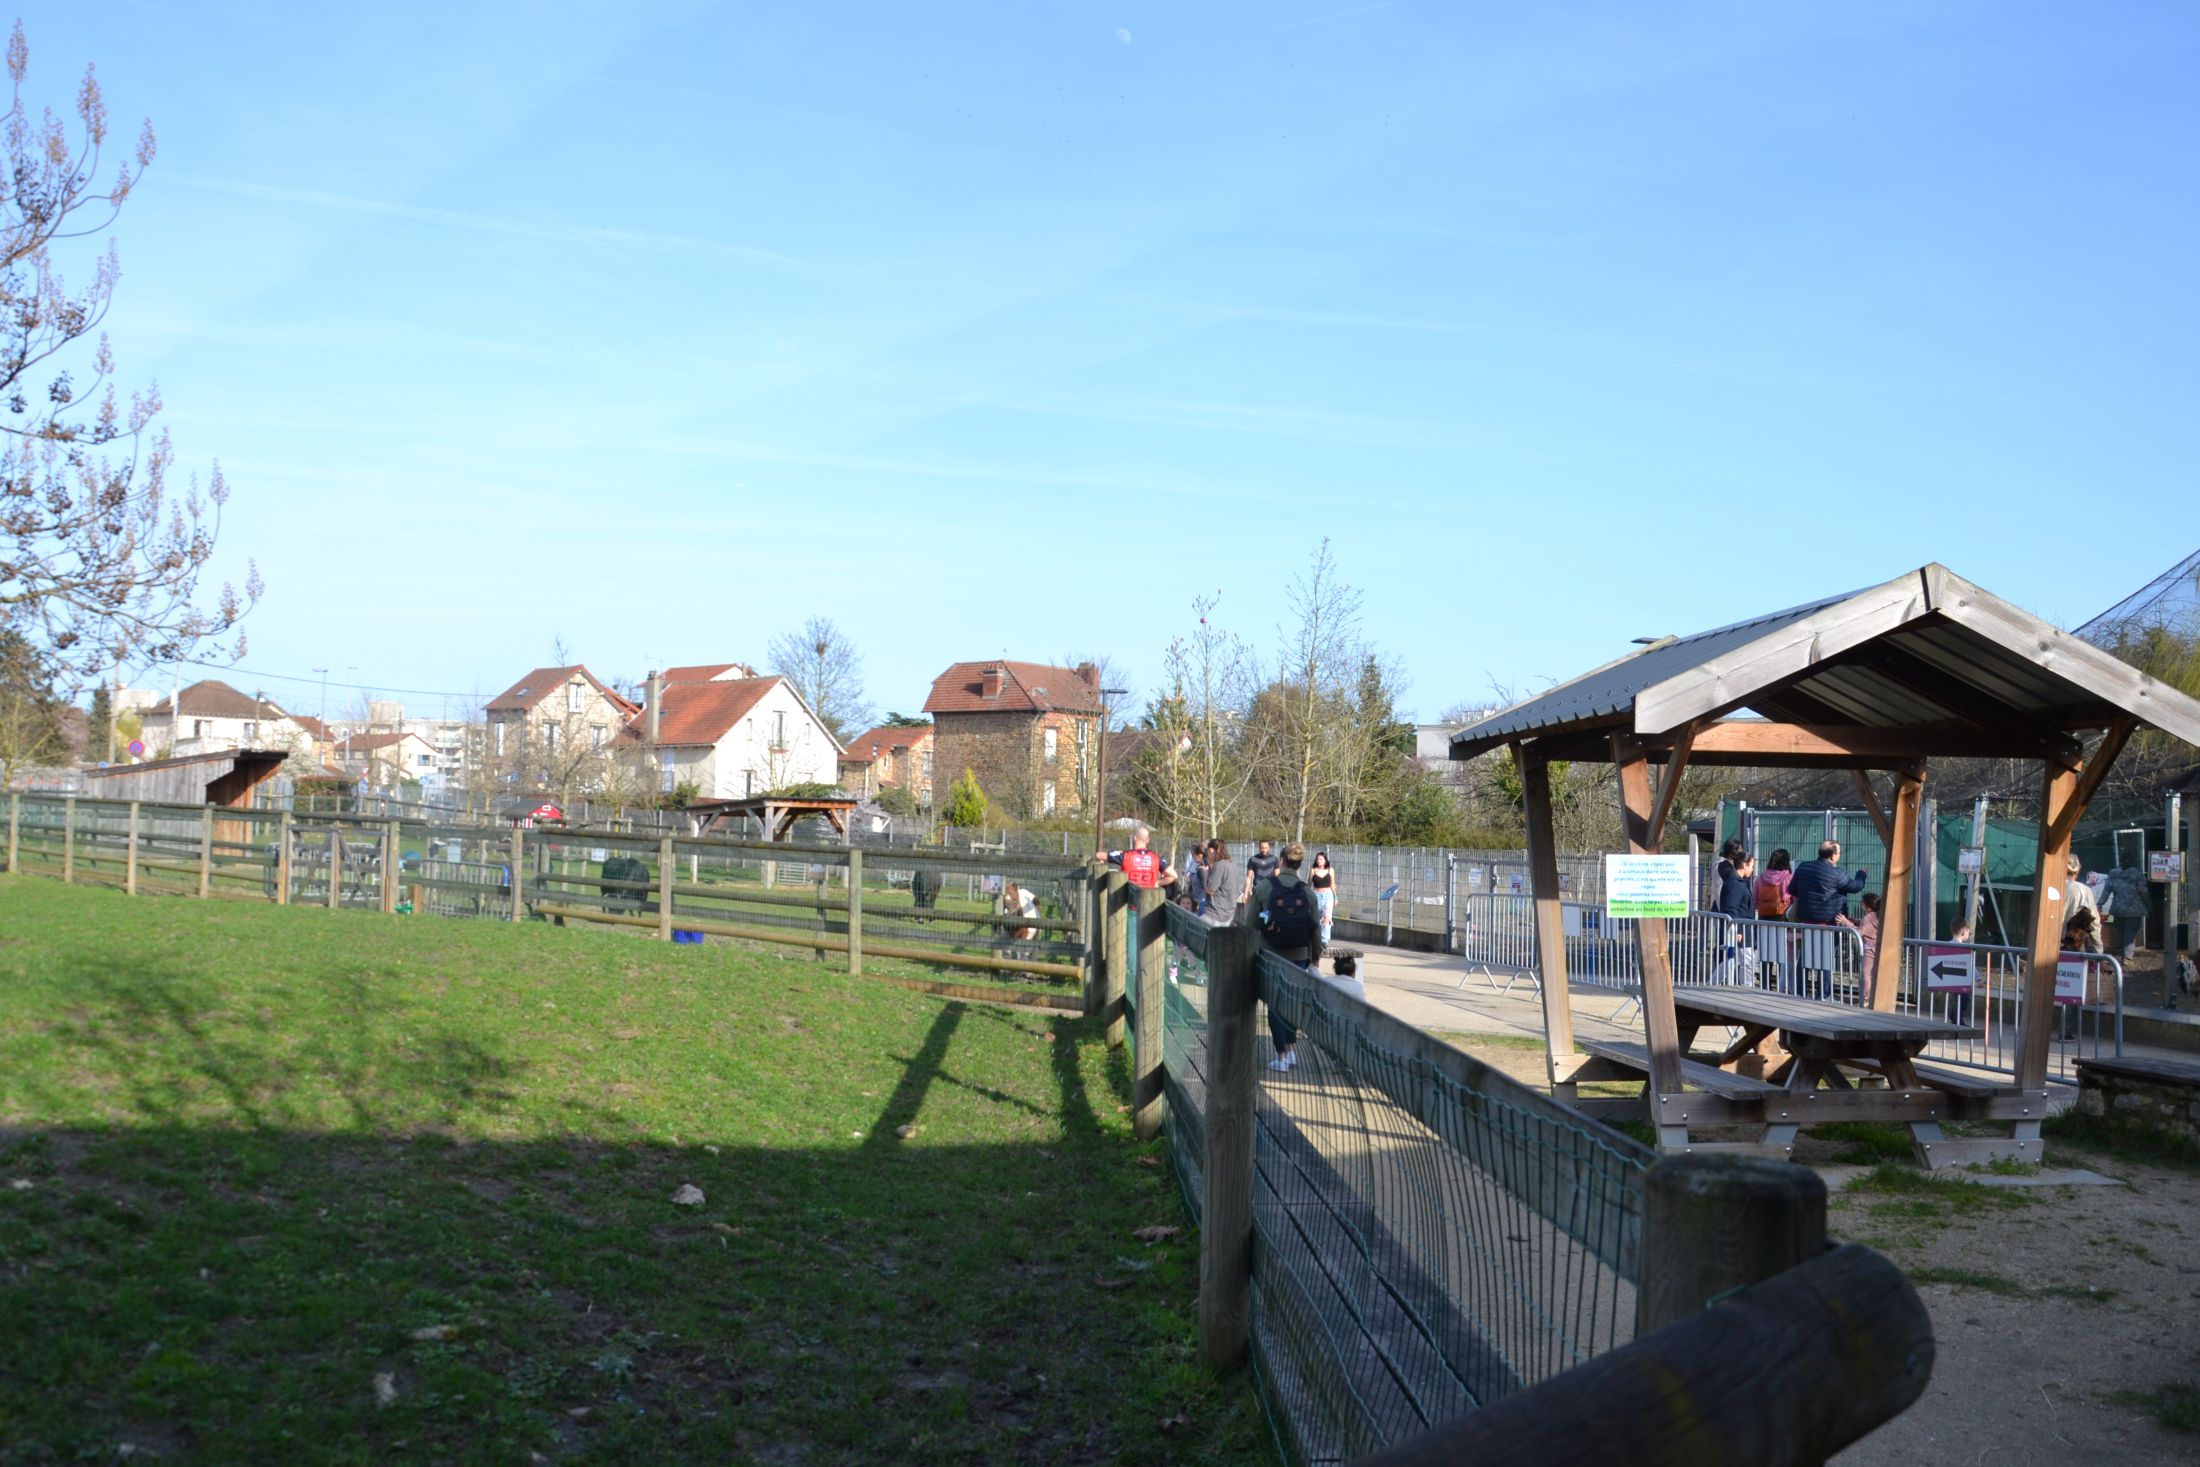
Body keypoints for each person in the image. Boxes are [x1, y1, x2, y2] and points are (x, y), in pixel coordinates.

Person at [1255, 843, 1323, 1072]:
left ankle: (1281, 1054)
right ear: (1301, 863)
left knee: (1275, 1005)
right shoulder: (1307, 892)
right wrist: (1315, 959)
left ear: (1281, 859)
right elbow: (1316, 930)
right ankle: (1292, 1050)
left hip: (1271, 954)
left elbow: (1250, 923)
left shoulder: (1265, 887)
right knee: (1292, 1003)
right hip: (1299, 957)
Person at [1789, 840, 1868, 926]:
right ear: (1833, 856)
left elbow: (1792, 889)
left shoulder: (1803, 867)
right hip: (1830, 924)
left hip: (1805, 921)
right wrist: (1861, 874)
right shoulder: (1837, 873)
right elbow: (1855, 886)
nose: (1840, 855)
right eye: (1839, 853)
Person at [1099, 824, 1176, 891]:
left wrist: (1120, 852)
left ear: (1134, 838)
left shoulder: (1125, 856)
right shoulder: (1156, 858)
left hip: (1129, 901)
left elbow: (1099, 855)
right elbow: (1174, 875)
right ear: (1148, 840)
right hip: (1149, 902)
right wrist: (1158, 883)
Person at [1204, 839, 1240, 926]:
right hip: (1230, 912)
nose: (1207, 854)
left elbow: (1210, 889)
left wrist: (1205, 874)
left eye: (1207, 851)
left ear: (1212, 850)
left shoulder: (1219, 865)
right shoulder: (1234, 865)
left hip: (1215, 913)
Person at [1753, 848, 1794, 921]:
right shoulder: (1788, 878)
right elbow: (1793, 898)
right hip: (1782, 917)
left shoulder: (1760, 878)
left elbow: (1755, 900)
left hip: (1763, 917)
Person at [1308, 850, 1338, 945]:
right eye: (1317, 859)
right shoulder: (1313, 870)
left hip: (1328, 895)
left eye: (1321, 859)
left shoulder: (1330, 870)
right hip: (1316, 895)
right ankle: (1316, 939)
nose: (1319, 861)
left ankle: (1324, 941)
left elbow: (1333, 884)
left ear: (1325, 860)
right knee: (1317, 918)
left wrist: (1335, 897)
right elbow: (1309, 884)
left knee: (1326, 917)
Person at [1242, 839, 1280, 906]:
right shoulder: (1253, 859)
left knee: (1269, 914)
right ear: (1259, 847)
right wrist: (1246, 893)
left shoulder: (1274, 859)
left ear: (1269, 848)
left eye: (1266, 848)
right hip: (1257, 890)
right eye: (1262, 848)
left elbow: (1277, 876)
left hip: (1270, 890)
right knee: (1255, 913)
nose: (1264, 850)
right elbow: (1248, 877)